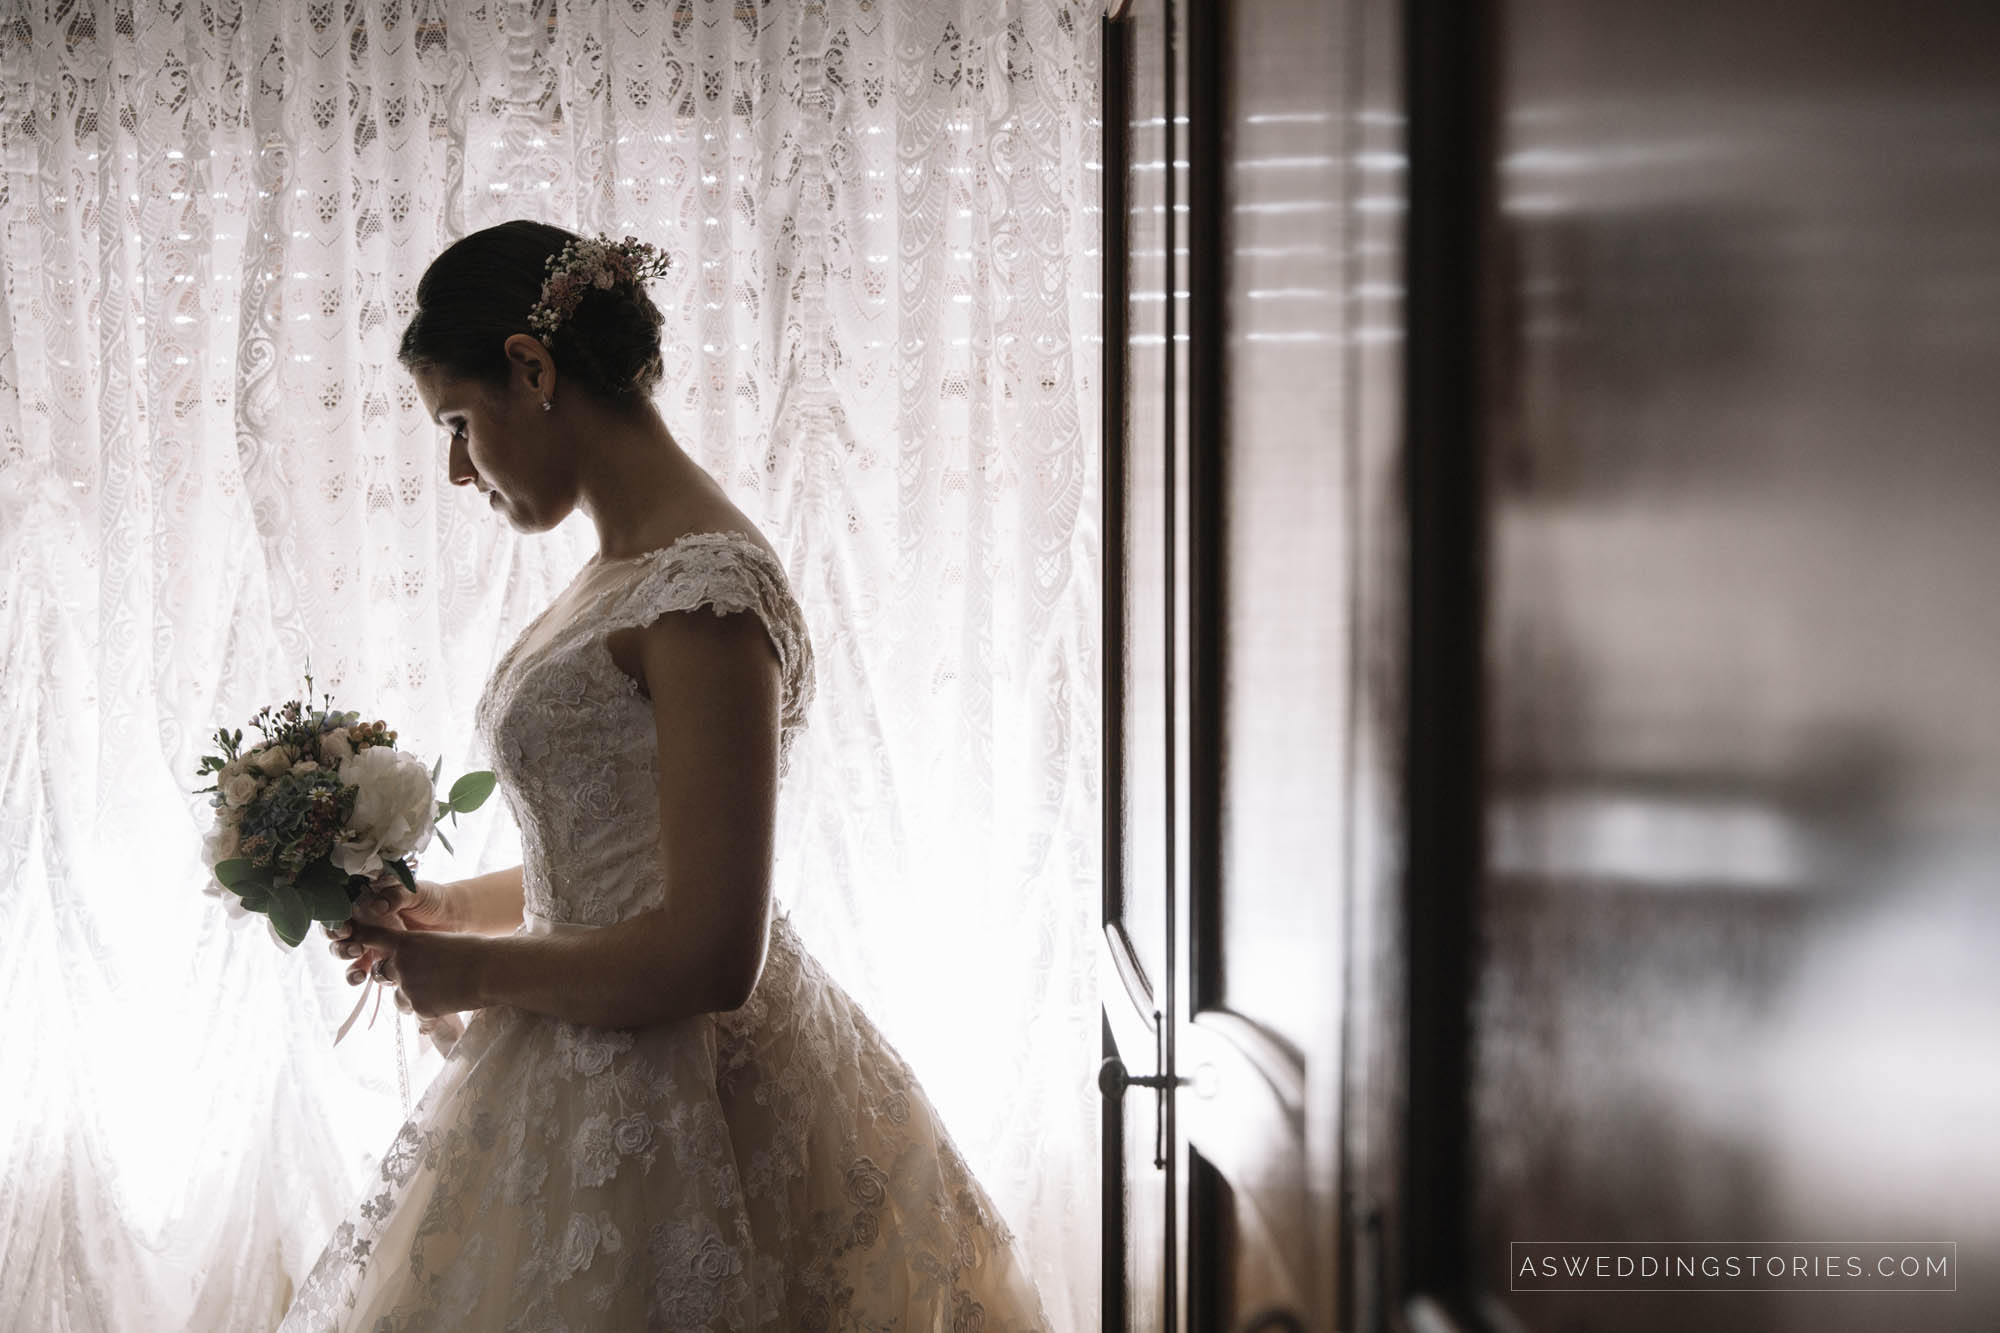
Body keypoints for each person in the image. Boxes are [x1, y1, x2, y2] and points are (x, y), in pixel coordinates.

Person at [276, 220, 1049, 1331]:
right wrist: (448, 910)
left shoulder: (703, 595)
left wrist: (474, 978)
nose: (453, 468)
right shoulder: (618, 572)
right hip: (580, 1062)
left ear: (531, 370)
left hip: (679, 1097)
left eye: (456, 422)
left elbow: (710, 951)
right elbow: (607, 858)